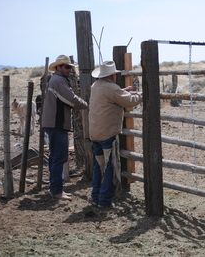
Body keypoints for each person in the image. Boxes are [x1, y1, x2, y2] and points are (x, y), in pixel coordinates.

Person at [89, 60, 142, 208]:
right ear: (112, 75)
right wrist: (141, 95)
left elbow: (114, 95)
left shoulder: (96, 86)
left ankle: (95, 196)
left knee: (99, 166)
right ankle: (104, 201)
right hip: (107, 134)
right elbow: (128, 101)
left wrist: (124, 90)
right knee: (109, 167)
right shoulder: (111, 88)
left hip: (95, 133)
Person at [42, 55, 88, 200]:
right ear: (59, 67)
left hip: (54, 123)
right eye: (67, 67)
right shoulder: (58, 81)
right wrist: (88, 105)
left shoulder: (55, 80)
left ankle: (55, 188)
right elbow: (72, 99)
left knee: (55, 157)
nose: (69, 70)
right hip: (57, 124)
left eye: (70, 67)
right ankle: (57, 191)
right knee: (59, 157)